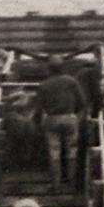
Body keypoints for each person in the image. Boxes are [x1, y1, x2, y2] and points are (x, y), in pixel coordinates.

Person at [35, 62, 91, 191]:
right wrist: (78, 118)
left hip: (51, 119)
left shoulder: (44, 85)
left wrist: (39, 123)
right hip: (69, 117)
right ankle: (72, 184)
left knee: (54, 152)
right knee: (72, 151)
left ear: (49, 69)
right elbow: (82, 103)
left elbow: (39, 108)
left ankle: (56, 184)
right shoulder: (71, 81)